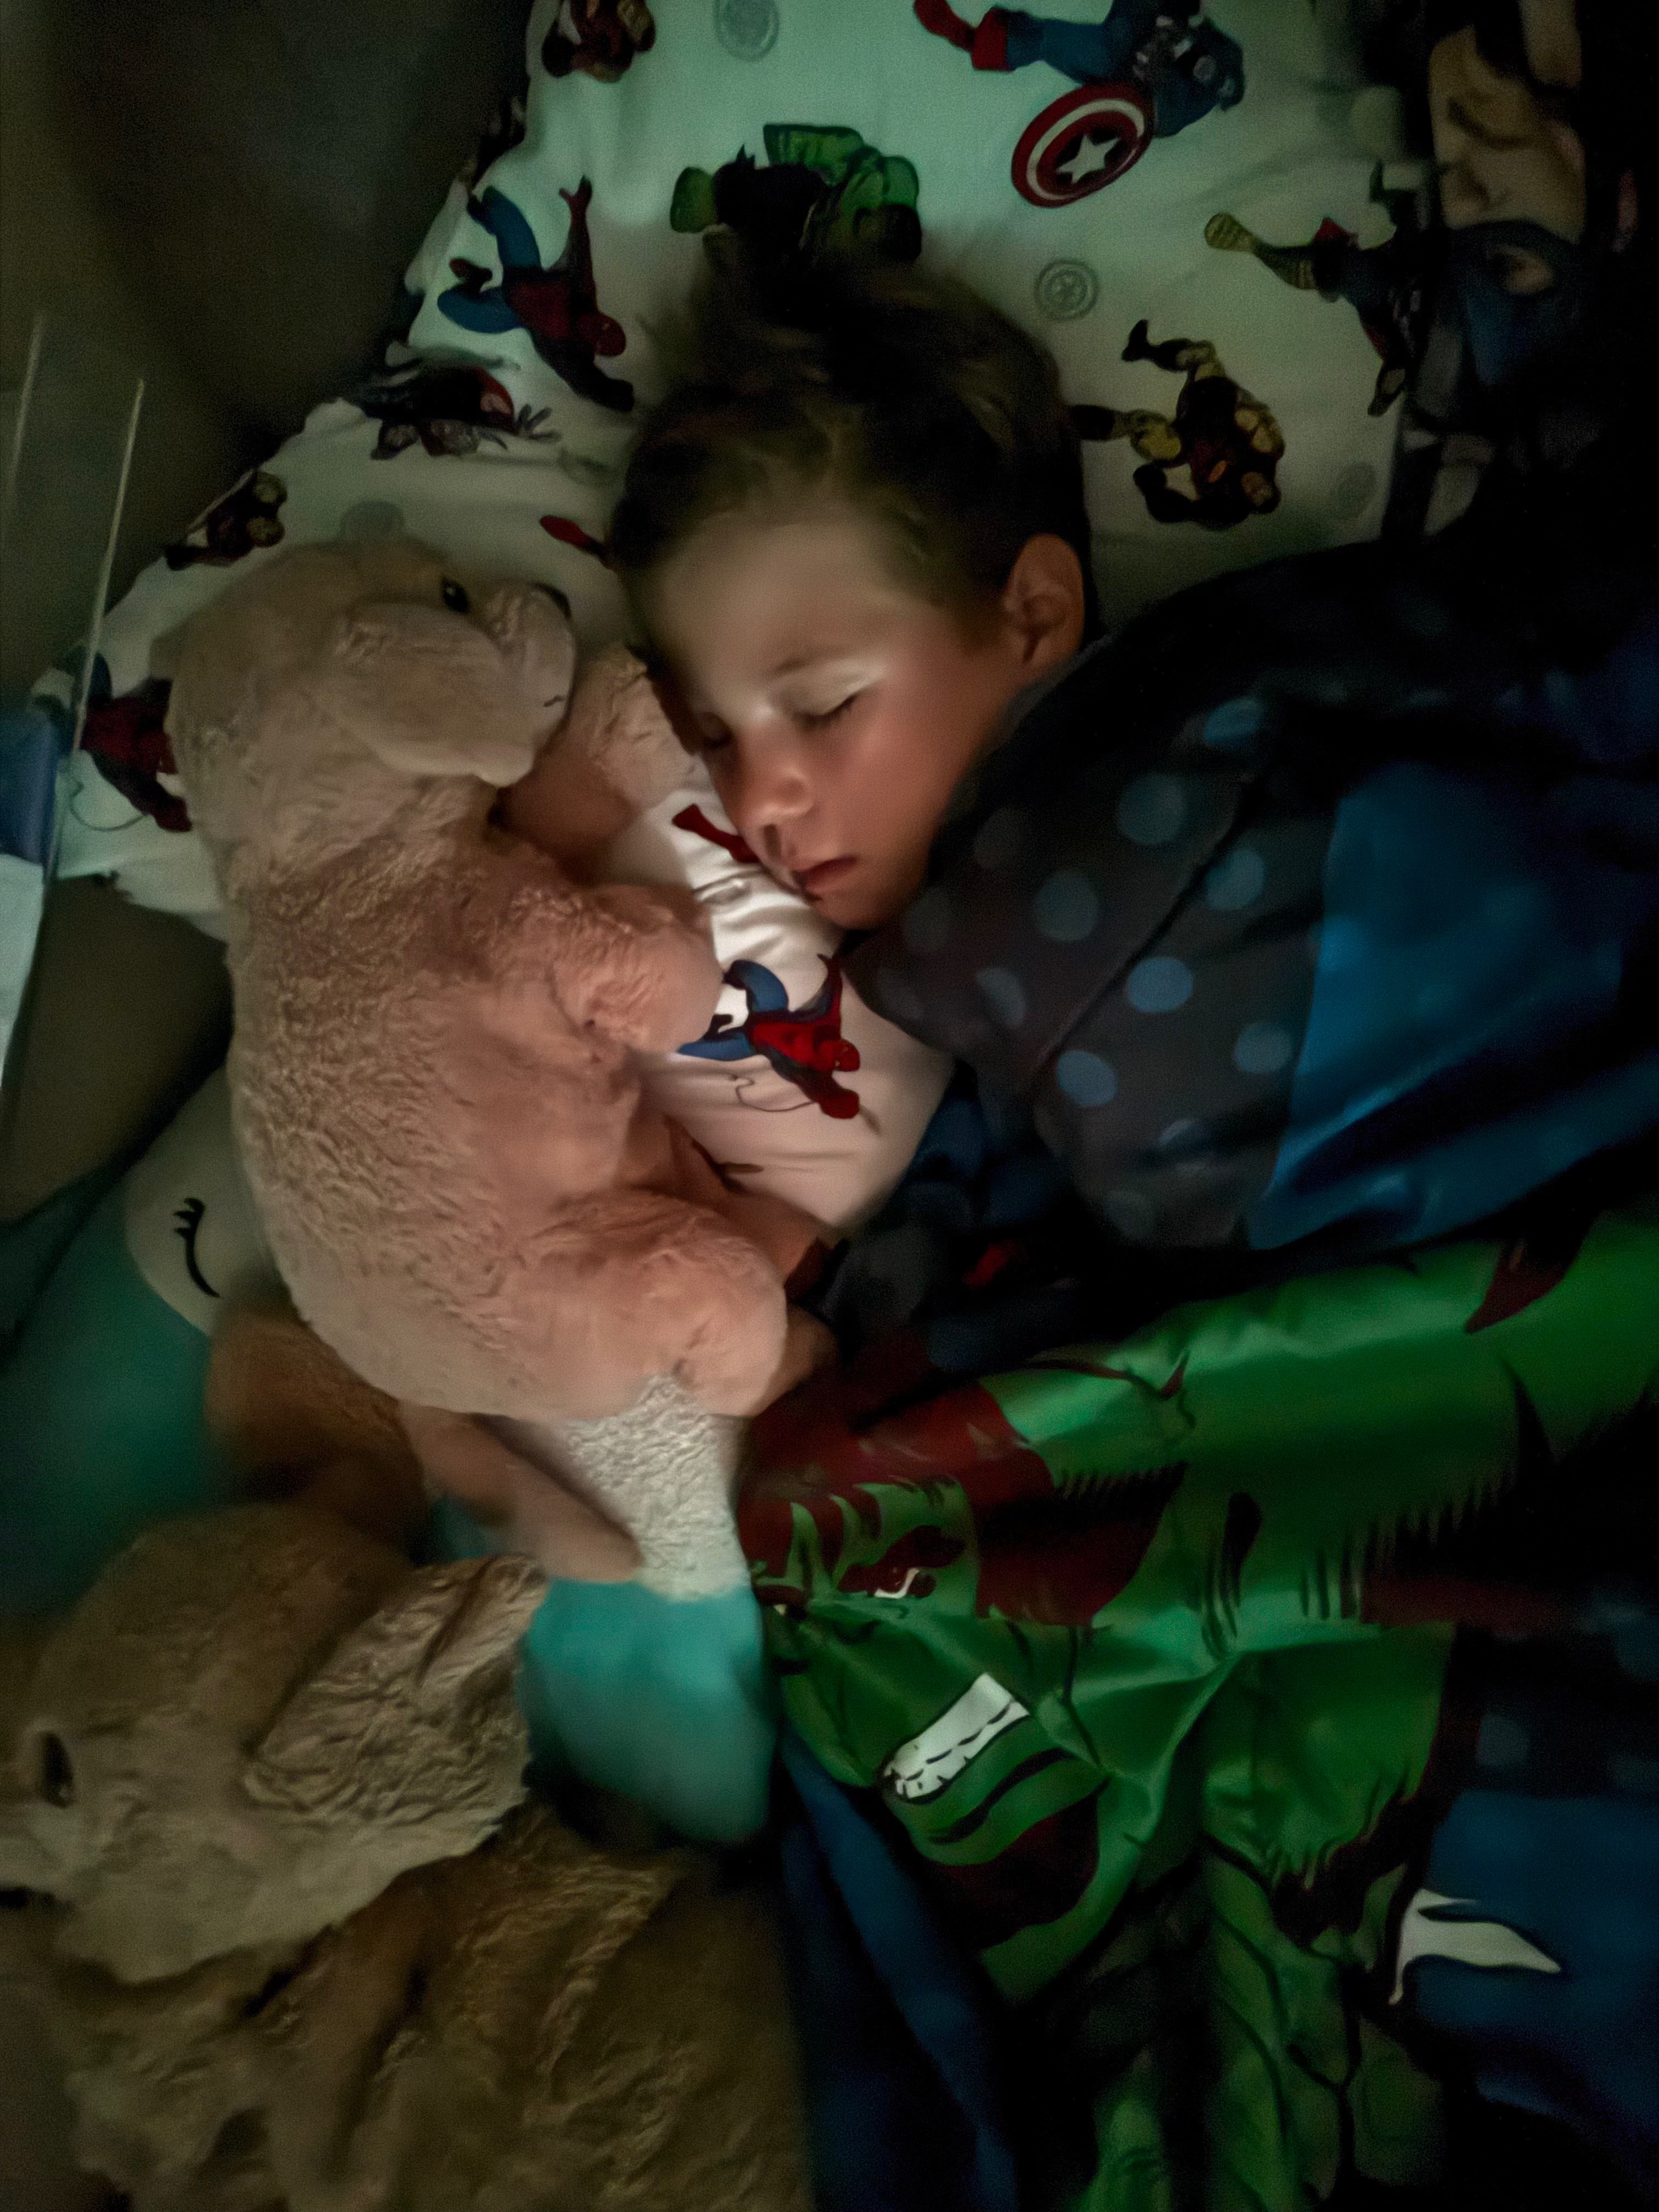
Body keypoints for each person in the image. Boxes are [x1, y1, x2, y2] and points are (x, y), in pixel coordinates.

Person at [610, 230, 1657, 1271]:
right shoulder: (947, 998)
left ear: (1032, 615)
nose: (759, 800)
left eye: (825, 705)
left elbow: (1526, 640)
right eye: (715, 738)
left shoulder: (1202, 696)